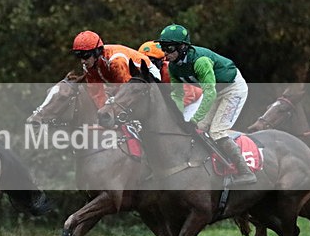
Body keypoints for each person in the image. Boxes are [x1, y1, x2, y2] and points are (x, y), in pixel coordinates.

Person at [156, 23, 256, 187]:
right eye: (163, 48)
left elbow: (210, 93)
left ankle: (245, 171)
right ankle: (214, 166)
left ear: (182, 47)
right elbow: (177, 94)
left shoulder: (200, 61)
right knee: (199, 129)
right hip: (215, 92)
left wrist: (194, 118)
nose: (165, 53)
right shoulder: (174, 67)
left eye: (169, 48)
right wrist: (179, 118)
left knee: (217, 131)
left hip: (233, 89)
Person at [71, 30, 160, 109]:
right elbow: (96, 93)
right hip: (122, 81)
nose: (83, 61)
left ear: (97, 52)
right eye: (79, 57)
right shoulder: (88, 67)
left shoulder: (116, 61)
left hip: (146, 72)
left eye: (86, 56)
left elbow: (126, 89)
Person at [138, 40, 203, 121]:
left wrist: (168, 110)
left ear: (163, 60)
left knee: (185, 124)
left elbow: (189, 95)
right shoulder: (143, 75)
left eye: (152, 61)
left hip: (193, 101)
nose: (149, 65)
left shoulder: (171, 71)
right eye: (144, 62)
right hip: (173, 101)